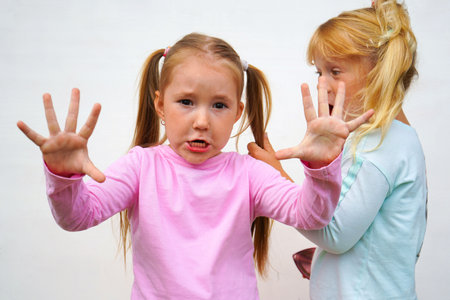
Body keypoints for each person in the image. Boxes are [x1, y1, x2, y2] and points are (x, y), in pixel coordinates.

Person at [17, 33, 371, 300]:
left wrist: (322, 166)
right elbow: (78, 216)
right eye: (186, 102)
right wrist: (63, 177)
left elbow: (310, 216)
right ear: (160, 104)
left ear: (238, 111)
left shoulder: (248, 173)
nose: (202, 120)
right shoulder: (142, 166)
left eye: (219, 105)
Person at [249, 1, 427, 299]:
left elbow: (334, 235)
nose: (322, 84)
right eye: (318, 71)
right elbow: (374, 234)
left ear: (380, 72)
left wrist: (275, 175)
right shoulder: (400, 139)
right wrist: (330, 262)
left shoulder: (376, 146)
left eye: (335, 71)